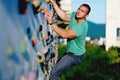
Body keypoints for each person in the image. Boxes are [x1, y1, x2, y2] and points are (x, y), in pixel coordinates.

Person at [44, 0, 91, 80]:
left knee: (54, 74)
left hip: (75, 55)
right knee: (56, 69)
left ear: (86, 15)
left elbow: (65, 34)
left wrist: (51, 23)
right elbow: (64, 16)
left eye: (82, 11)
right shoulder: (74, 17)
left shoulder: (81, 27)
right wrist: (54, 3)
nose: (79, 12)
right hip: (69, 51)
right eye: (79, 9)